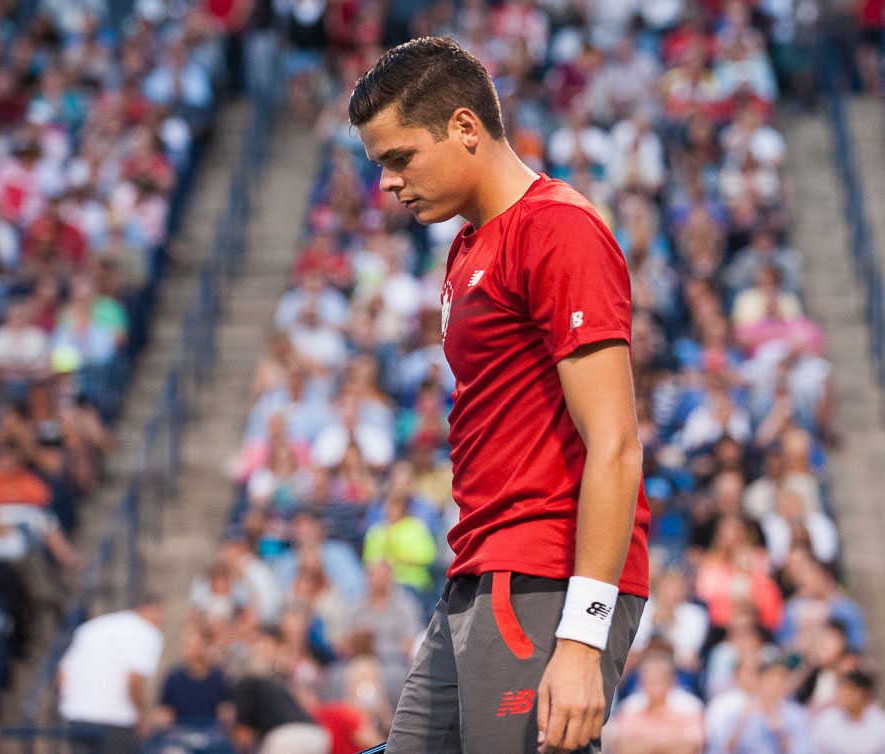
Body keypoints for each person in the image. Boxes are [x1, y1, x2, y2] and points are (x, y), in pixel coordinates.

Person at [349, 36, 650, 754]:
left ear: (463, 127)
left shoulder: (558, 228)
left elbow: (615, 444)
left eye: (399, 158)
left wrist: (581, 636)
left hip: (543, 571)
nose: (389, 184)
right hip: (480, 567)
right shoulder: (468, 246)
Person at [56, 595, 164, 754]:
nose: (161, 623)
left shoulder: (91, 627)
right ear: (153, 610)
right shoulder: (146, 632)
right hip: (116, 724)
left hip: (78, 718)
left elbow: (62, 674)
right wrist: (142, 715)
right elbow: (134, 680)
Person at [230, 674, 331, 754]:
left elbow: (243, 735)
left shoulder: (244, 685)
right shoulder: (274, 684)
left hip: (286, 738)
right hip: (317, 734)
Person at [808, 669, 885, 754]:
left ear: (864, 693)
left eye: (849, 689)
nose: (842, 693)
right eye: (841, 688)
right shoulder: (826, 721)